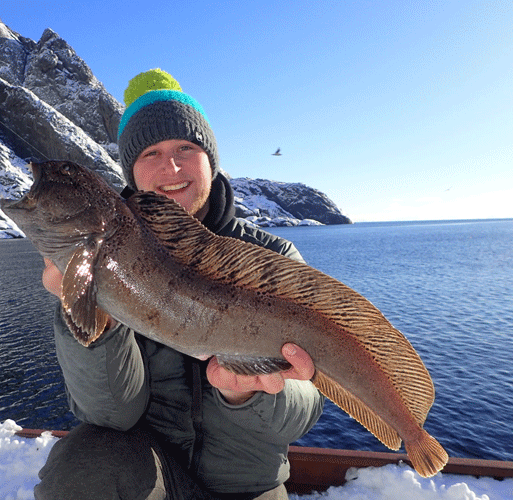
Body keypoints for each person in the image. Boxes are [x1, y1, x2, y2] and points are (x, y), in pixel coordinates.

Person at [34, 69, 324, 500]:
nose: (170, 166)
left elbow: (301, 416)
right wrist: (92, 316)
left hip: (249, 487)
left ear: (210, 160)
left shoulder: (275, 260)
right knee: (81, 465)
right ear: (131, 172)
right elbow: (110, 413)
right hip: (152, 477)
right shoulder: (105, 257)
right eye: (150, 152)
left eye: (185, 147)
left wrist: (246, 395)